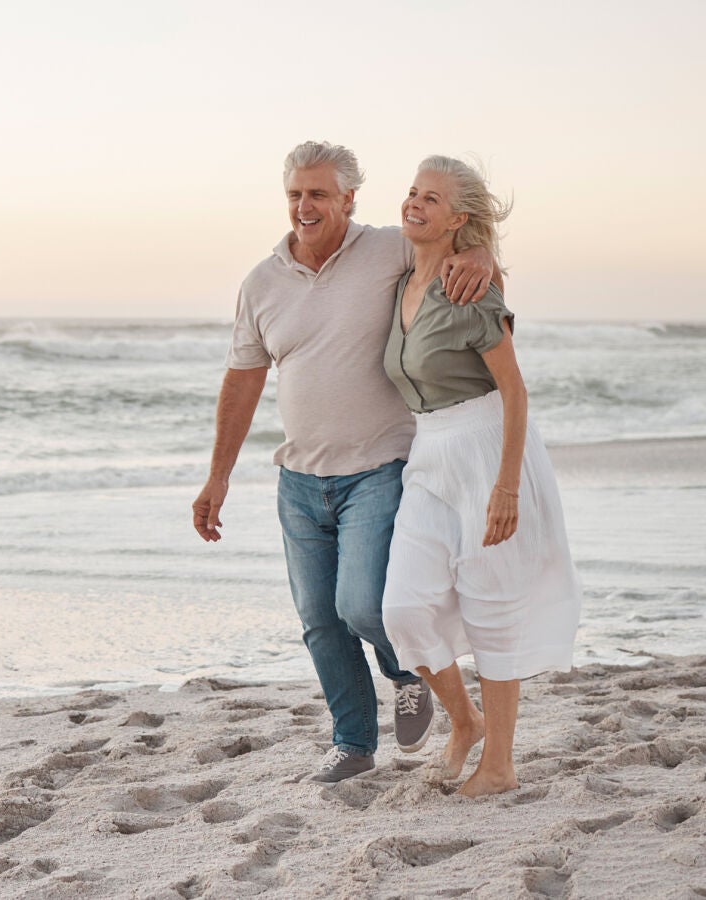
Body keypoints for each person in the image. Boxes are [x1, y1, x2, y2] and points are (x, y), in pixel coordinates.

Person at [193, 141, 496, 783]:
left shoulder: (386, 249)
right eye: (296, 195)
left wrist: (480, 251)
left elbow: (449, 238)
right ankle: (353, 744)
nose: (305, 207)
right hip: (299, 479)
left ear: (349, 199)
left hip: (379, 468)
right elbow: (243, 380)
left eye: (319, 195)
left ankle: (402, 673)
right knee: (320, 622)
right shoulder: (262, 282)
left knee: (363, 606)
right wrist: (217, 476)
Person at [380, 155, 582, 797]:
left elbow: (515, 391)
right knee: (402, 608)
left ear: (458, 218)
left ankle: (499, 765)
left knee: (494, 607)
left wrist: (507, 485)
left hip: (488, 445)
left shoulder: (473, 290)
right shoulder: (396, 281)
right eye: (412, 191)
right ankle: (461, 723)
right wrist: (481, 250)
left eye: (431, 199)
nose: (414, 203)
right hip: (429, 453)